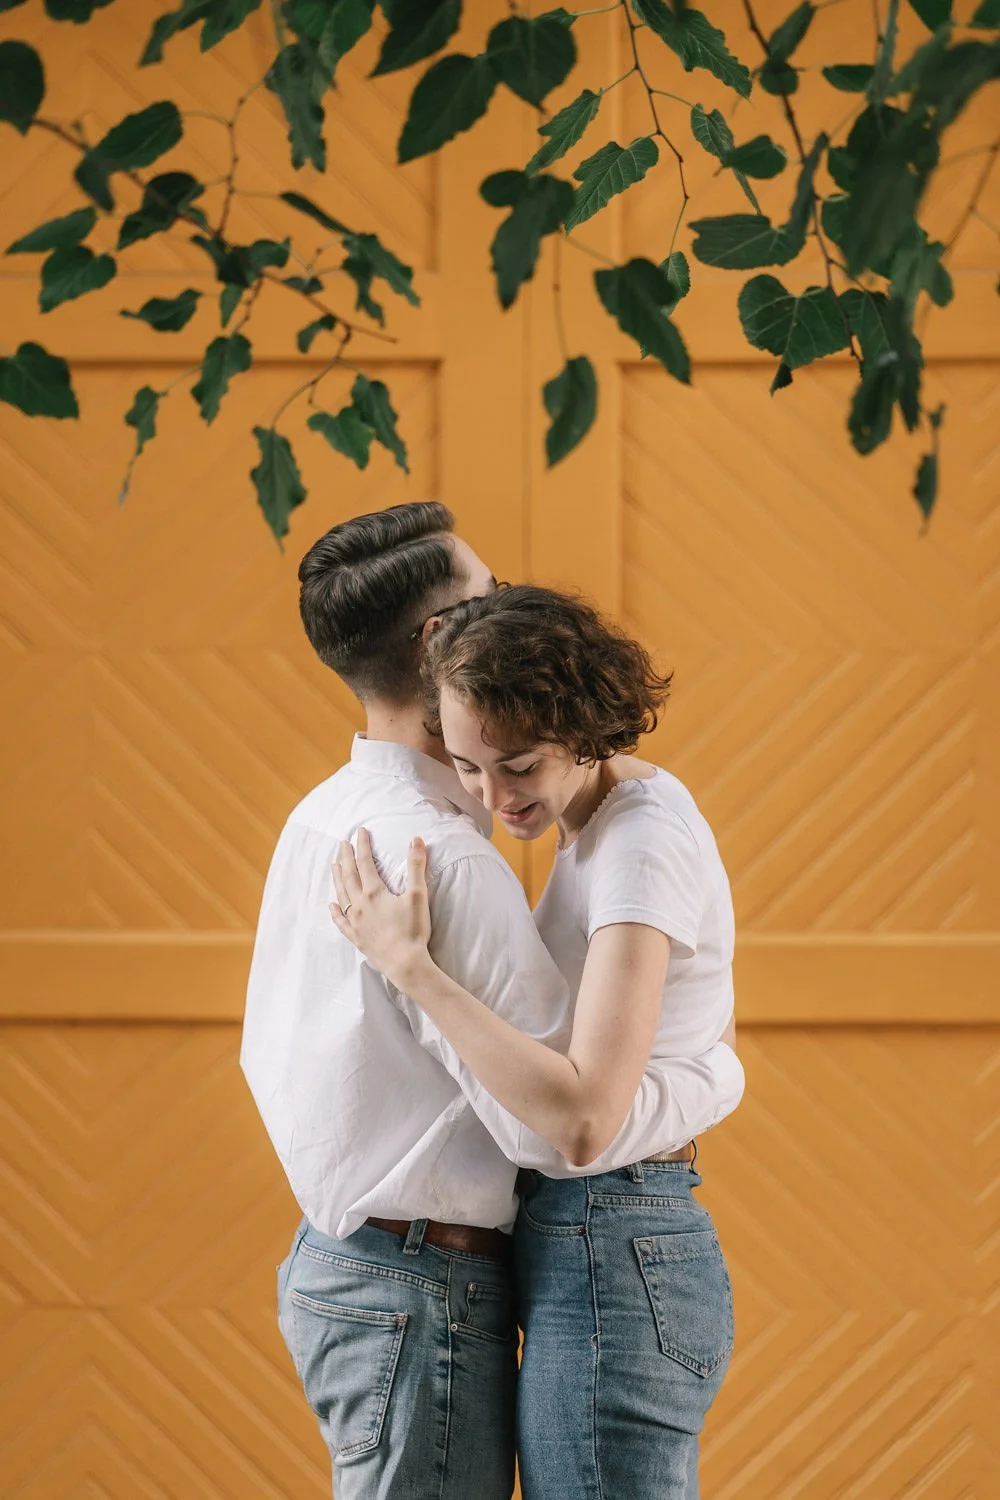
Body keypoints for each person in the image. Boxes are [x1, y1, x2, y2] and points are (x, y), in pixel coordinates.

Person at [241, 505, 743, 1500]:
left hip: (366, 1258)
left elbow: (577, 1116)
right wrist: (713, 1079)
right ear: (440, 644)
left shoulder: (328, 813)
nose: (507, 607)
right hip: (424, 1275)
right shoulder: (450, 854)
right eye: (489, 592)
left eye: (513, 767)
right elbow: (563, 1132)